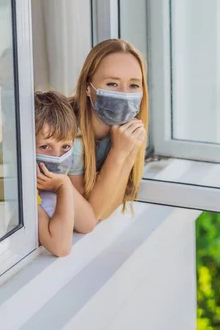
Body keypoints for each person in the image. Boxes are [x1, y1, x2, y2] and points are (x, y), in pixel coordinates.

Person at [68, 39, 148, 222]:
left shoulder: (125, 133)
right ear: (88, 87)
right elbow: (91, 215)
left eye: (134, 85)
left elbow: (106, 210)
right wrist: (119, 153)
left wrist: (127, 153)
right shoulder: (67, 135)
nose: (124, 93)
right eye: (112, 84)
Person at [34, 91, 96, 257]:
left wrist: (64, 184)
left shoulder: (57, 185)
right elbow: (60, 247)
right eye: (45, 147)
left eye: (65, 147)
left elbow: (87, 224)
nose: (57, 157)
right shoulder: (28, 193)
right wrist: (62, 185)